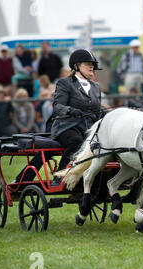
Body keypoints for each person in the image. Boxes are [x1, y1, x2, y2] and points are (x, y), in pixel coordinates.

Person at [49, 48, 103, 189]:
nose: (92, 66)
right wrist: (70, 110)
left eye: (92, 64)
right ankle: (60, 176)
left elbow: (97, 112)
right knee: (76, 141)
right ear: (76, 66)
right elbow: (57, 106)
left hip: (88, 128)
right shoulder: (65, 83)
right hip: (67, 126)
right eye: (87, 63)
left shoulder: (96, 87)